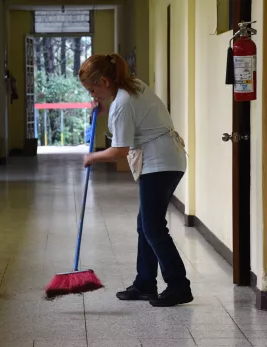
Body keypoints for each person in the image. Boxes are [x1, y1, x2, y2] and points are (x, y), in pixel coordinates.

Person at [78, 53, 193, 307]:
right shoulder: (133, 86)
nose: (92, 95)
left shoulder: (123, 102)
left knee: (152, 227)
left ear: (106, 82)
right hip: (166, 159)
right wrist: (104, 106)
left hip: (160, 164)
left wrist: (92, 157)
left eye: (93, 89)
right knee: (146, 224)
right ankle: (145, 283)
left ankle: (178, 286)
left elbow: (120, 149)